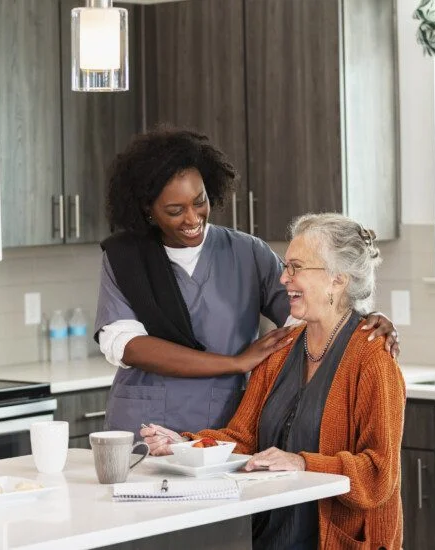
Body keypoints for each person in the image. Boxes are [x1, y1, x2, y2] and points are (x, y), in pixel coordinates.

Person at [95, 126, 400, 439]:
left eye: (199, 202)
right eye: (175, 210)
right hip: (144, 428)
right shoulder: (125, 258)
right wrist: (237, 362)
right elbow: (129, 346)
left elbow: (310, 310)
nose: (192, 218)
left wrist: (363, 318)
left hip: (226, 428)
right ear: (148, 209)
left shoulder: (248, 252)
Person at [141, 213, 405, 550]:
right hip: (272, 538)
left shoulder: (373, 359)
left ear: (337, 280)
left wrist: (302, 462)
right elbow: (243, 439)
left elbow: (379, 475)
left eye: (296, 267)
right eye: (286, 266)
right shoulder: (280, 348)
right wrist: (186, 444)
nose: (283, 278)